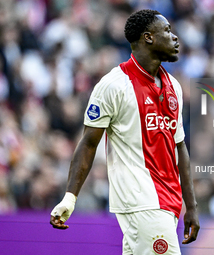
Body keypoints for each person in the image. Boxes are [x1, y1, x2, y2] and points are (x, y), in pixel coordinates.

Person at [49, 9, 200, 254]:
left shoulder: (174, 87)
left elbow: (179, 146)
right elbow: (88, 143)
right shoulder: (113, 85)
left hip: (168, 204)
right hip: (140, 202)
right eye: (168, 31)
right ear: (148, 37)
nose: (175, 38)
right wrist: (70, 197)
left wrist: (190, 206)